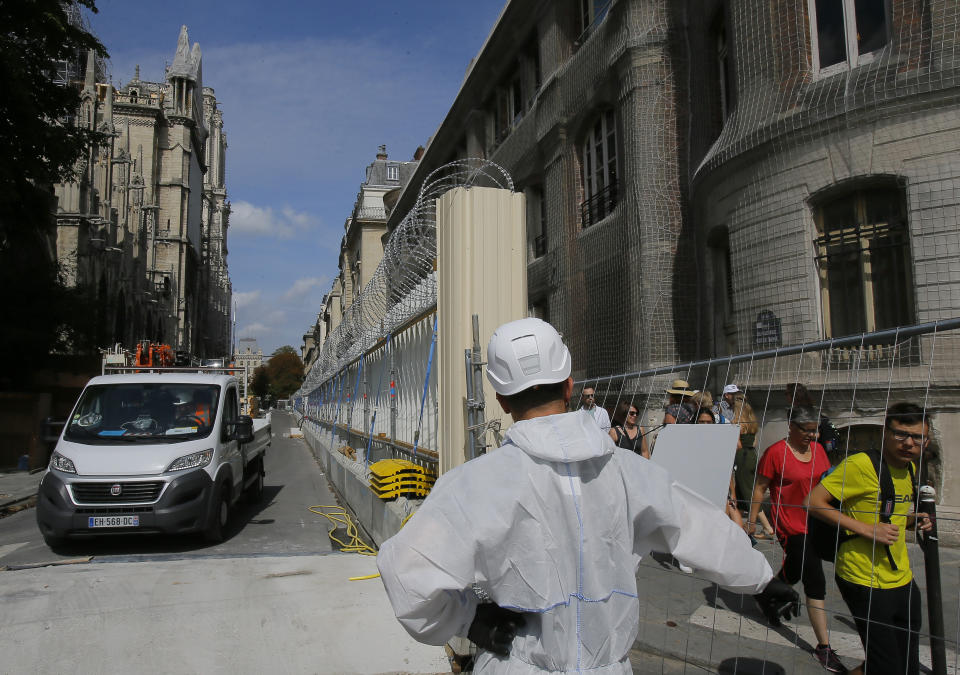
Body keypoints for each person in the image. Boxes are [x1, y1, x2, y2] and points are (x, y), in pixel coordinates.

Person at [377, 318, 799, 674]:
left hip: (518, 663)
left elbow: (408, 578)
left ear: (502, 401)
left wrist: (468, 618)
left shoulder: (474, 484)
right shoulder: (628, 472)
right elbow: (696, 526)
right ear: (570, 386)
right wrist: (761, 579)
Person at [806, 403, 933, 675]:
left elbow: (890, 515)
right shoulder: (861, 465)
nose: (909, 443)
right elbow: (814, 502)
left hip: (901, 577)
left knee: (904, 662)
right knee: (887, 666)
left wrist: (914, 520)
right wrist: (867, 529)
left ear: (927, 440)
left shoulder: (910, 468)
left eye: (917, 437)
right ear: (885, 432)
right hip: (863, 577)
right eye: (901, 434)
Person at [748, 407, 846, 673]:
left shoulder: (819, 451)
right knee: (815, 578)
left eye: (815, 430)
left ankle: (767, 591)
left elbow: (827, 483)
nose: (813, 435)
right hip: (790, 524)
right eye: (807, 430)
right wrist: (752, 520)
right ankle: (824, 648)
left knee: (796, 569)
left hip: (817, 523)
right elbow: (759, 487)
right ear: (791, 427)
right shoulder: (775, 453)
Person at [732, 395, 774, 539]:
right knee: (745, 491)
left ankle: (767, 527)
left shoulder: (737, 423)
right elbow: (755, 443)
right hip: (751, 455)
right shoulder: (752, 422)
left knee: (748, 492)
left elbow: (737, 444)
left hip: (741, 457)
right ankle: (739, 524)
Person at [695, 408, 745, 529]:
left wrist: (733, 493)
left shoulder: (719, 441)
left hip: (718, 485)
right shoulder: (691, 440)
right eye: (702, 422)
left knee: (727, 516)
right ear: (696, 422)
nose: (705, 425)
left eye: (708, 422)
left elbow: (726, 470)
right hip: (698, 486)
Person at [786, 383, 842, 458]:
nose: (786, 396)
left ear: (794, 395)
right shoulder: (811, 407)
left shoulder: (796, 412)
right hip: (823, 447)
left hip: (815, 448)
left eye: (786, 393)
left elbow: (814, 434)